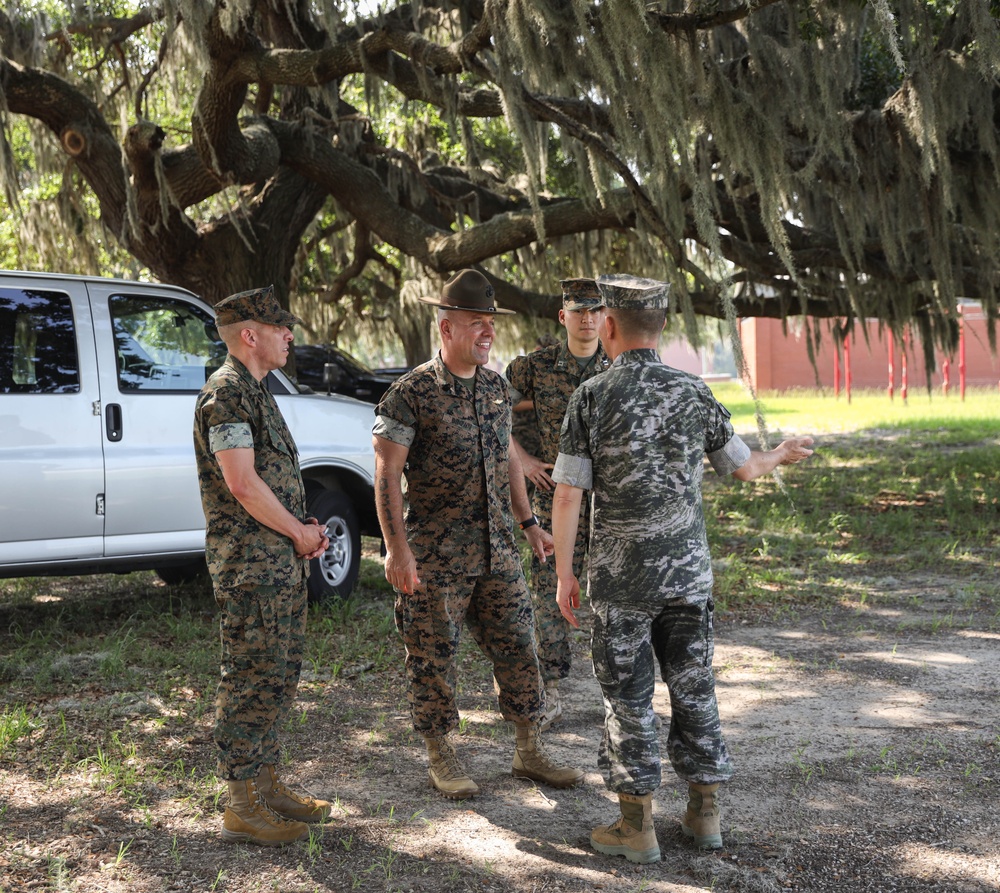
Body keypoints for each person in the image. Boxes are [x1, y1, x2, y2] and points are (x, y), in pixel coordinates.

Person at [550, 274, 814, 863]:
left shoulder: (590, 397)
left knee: (629, 698)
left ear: (609, 325)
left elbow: (568, 494)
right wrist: (782, 453)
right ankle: (704, 817)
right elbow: (741, 469)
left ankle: (636, 827)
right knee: (696, 691)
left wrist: (564, 574)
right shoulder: (693, 391)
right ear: (662, 327)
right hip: (687, 578)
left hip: (621, 582)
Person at [372, 269, 584, 800]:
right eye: (475, 324)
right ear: (446, 329)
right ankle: (441, 753)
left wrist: (529, 523)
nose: (487, 332)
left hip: (498, 550)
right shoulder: (409, 394)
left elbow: (509, 455)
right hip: (436, 554)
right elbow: (385, 477)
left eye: (490, 323)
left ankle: (528, 749)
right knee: (433, 655)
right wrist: (397, 551)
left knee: (519, 647)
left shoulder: (495, 387)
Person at [194, 285, 333, 846]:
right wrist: (299, 531)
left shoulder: (257, 391)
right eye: (281, 329)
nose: (290, 337)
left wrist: (304, 532)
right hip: (251, 567)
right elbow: (242, 483)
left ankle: (268, 783)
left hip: (278, 565)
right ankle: (241, 802)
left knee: (278, 675)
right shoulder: (226, 395)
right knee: (251, 677)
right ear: (250, 335)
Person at [505, 279, 610, 728]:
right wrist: (524, 459)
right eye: (578, 311)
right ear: (562, 317)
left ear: (606, 317)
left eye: (595, 311)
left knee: (612, 596)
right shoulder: (536, 366)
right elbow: (489, 408)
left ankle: (617, 694)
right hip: (555, 500)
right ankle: (548, 692)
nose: (587, 319)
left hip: (609, 504)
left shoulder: (620, 365)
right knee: (549, 595)